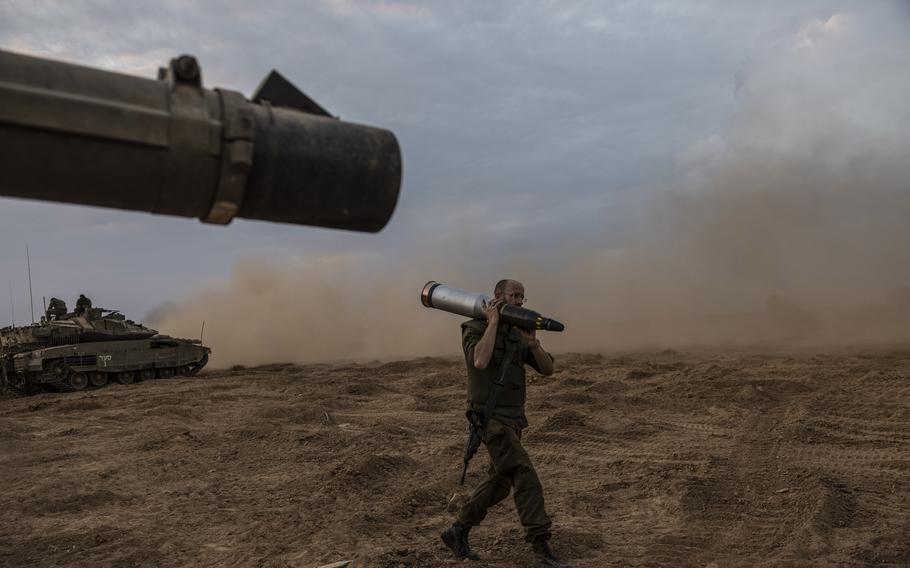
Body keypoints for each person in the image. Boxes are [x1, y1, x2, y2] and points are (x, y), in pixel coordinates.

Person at [441, 279, 570, 568]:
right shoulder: (474, 328)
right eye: (514, 296)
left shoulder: (517, 333)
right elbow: (480, 361)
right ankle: (541, 549)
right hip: (489, 419)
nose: (520, 302)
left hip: (514, 420)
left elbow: (548, 370)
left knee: (500, 483)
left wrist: (533, 342)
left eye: (523, 297)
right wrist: (492, 323)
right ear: (498, 297)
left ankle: (457, 530)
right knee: (524, 474)